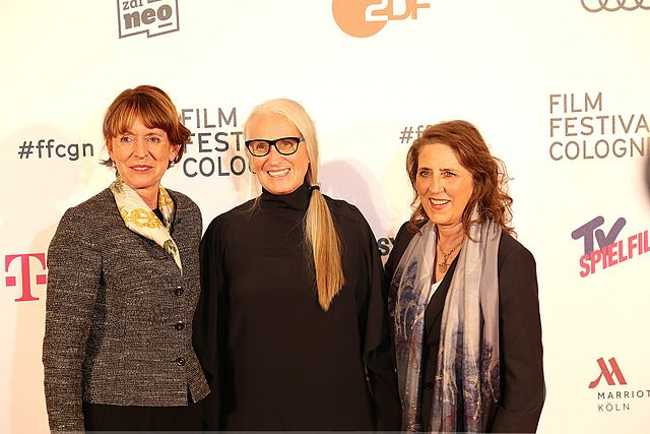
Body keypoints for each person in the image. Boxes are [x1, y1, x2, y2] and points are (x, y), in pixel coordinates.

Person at [195, 98, 401, 430]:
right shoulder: (225, 233)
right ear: (249, 155)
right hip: (252, 422)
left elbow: (377, 344)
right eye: (261, 146)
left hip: (341, 421)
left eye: (287, 144)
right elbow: (209, 351)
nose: (273, 158)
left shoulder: (347, 224)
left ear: (308, 149)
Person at [42, 85, 210, 432]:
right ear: (111, 147)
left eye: (153, 138)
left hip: (188, 405)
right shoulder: (85, 222)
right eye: (126, 138)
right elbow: (62, 344)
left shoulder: (189, 214)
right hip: (117, 411)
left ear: (173, 147)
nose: (140, 153)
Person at [385, 120, 545, 433]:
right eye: (425, 173)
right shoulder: (408, 240)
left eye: (449, 174)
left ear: (478, 179)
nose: (434, 187)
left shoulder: (509, 261)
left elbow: (525, 391)